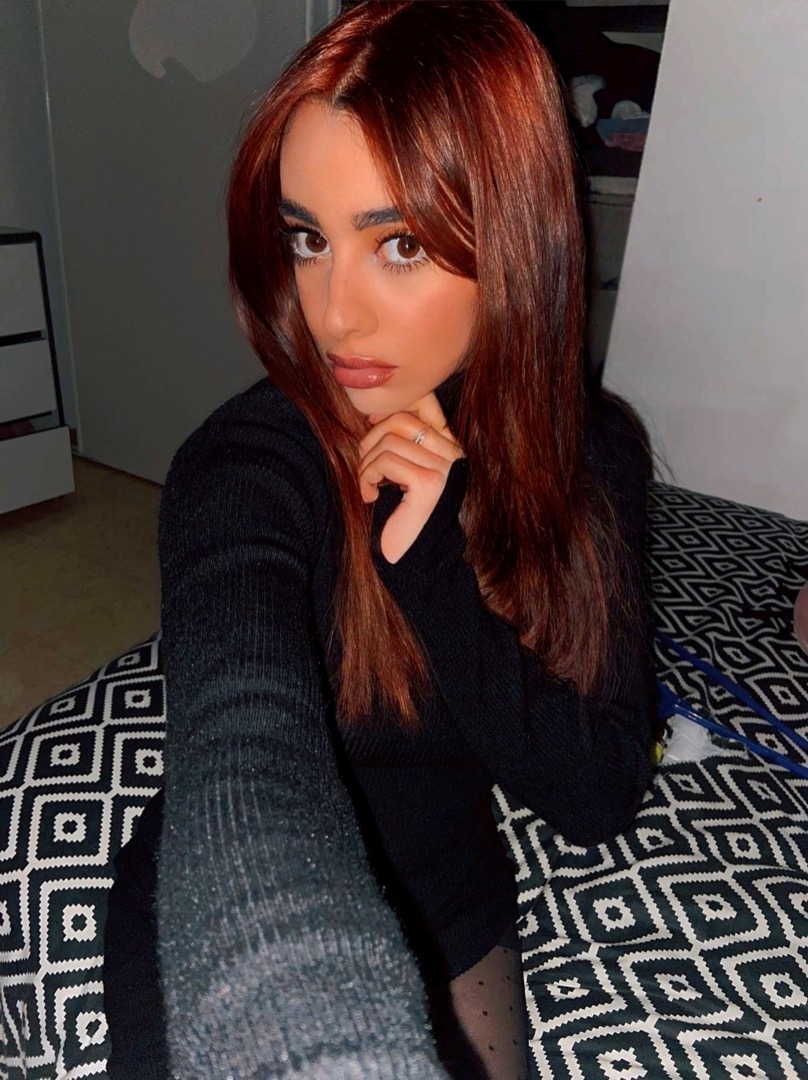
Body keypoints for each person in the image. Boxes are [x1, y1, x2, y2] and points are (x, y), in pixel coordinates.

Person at [102, 2, 654, 1076]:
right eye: (307, 239)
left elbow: (594, 796)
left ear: (516, 240)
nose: (332, 315)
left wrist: (431, 568)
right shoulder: (246, 465)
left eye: (397, 244)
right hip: (230, 887)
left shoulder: (592, 457)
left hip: (449, 901)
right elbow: (238, 727)